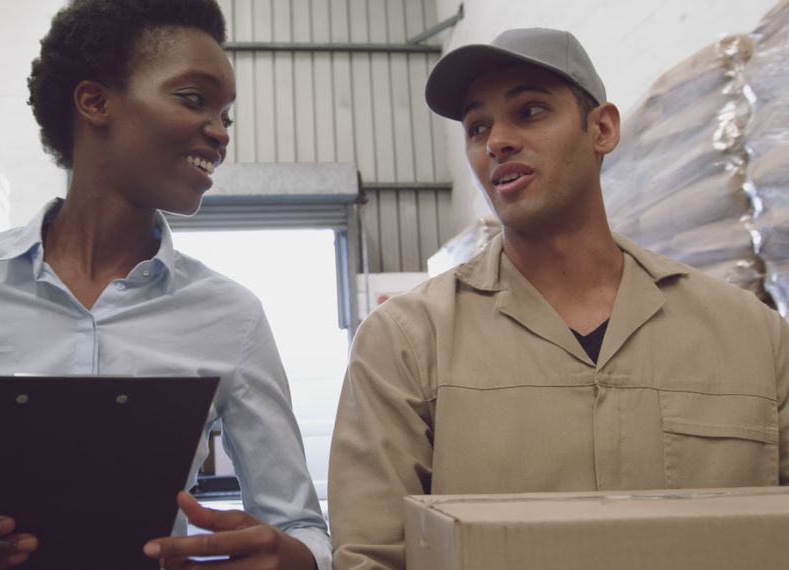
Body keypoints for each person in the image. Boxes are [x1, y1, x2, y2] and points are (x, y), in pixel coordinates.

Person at [0, 1, 330, 568]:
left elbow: (300, 526)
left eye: (226, 116)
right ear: (95, 101)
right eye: (194, 99)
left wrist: (298, 559)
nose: (218, 133)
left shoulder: (230, 315)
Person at [328, 27, 789, 569]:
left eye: (529, 111)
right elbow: (371, 557)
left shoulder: (751, 335)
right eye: (477, 127)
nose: (496, 140)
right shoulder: (406, 341)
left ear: (602, 129)